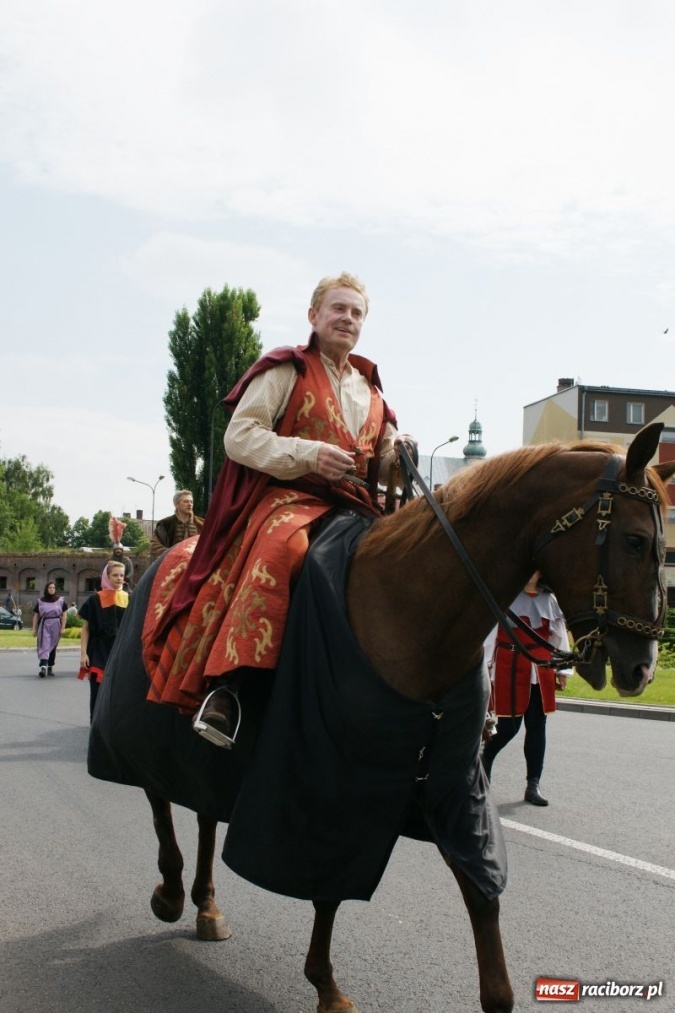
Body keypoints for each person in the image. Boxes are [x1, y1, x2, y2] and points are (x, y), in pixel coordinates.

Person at [142, 271, 413, 749]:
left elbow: (384, 463)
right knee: (285, 547)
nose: (347, 318)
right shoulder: (285, 369)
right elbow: (240, 435)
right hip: (291, 496)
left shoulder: (373, 395)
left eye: (356, 313)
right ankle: (232, 686)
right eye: (339, 308)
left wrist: (400, 450)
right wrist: (308, 454)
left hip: (356, 506)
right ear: (314, 315)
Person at [481, 572, 571, 806]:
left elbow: (558, 636)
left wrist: (562, 670)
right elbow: (491, 635)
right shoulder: (507, 595)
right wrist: (486, 666)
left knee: (537, 726)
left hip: (541, 668)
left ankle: (533, 785)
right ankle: (484, 761)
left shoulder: (550, 600)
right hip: (509, 664)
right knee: (509, 727)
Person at [78, 561, 129, 721]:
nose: (119, 578)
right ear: (107, 576)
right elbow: (86, 628)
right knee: (98, 691)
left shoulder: (129, 598)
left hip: (121, 651)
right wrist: (83, 654)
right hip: (98, 651)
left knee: (118, 692)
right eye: (115, 575)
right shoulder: (95, 599)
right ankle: (95, 722)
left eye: (121, 575)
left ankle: (112, 724)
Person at [150, 491, 204, 560]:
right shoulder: (165, 524)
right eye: (186, 501)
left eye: (191, 502)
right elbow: (154, 544)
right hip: (172, 564)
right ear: (177, 504)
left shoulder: (202, 524)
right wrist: (170, 553)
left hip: (196, 564)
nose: (190, 504)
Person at [32, 581, 68, 677]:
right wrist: (34, 628)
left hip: (56, 623)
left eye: (53, 588)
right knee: (44, 644)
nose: (52, 589)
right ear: (46, 589)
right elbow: (36, 615)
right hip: (44, 624)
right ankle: (43, 666)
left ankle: (50, 666)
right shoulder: (41, 601)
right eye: (50, 588)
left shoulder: (60, 601)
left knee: (53, 645)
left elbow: (64, 614)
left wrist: (63, 628)